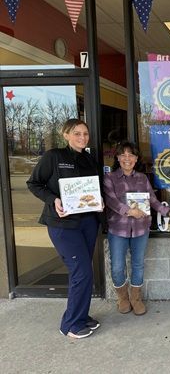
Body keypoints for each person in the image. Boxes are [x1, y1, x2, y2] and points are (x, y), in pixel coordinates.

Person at [27, 118, 102, 339]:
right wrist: (53, 200)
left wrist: (99, 201)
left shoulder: (89, 159)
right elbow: (34, 184)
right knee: (82, 272)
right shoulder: (54, 157)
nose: (82, 137)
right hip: (63, 224)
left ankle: (81, 315)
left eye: (85, 134)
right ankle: (70, 325)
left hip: (88, 222)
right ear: (66, 135)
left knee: (83, 271)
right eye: (77, 133)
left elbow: (93, 189)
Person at [103, 142, 170, 316]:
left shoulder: (142, 178)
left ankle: (136, 298)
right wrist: (129, 211)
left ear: (136, 158)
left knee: (138, 265)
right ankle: (123, 298)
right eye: (123, 155)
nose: (127, 159)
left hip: (140, 229)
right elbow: (111, 201)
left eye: (131, 155)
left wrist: (169, 213)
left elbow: (152, 201)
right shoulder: (110, 178)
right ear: (117, 158)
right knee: (117, 266)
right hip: (118, 229)